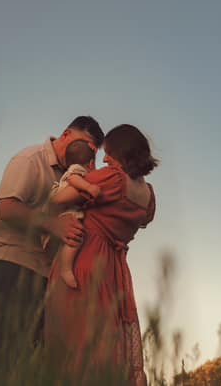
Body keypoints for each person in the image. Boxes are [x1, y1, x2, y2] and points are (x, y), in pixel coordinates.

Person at [0, 116, 104, 377]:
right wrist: (54, 225)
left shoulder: (74, 174)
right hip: (13, 258)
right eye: (85, 144)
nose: (87, 153)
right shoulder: (30, 159)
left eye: (94, 151)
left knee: (39, 354)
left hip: (46, 270)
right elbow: (8, 209)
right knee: (12, 347)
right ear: (65, 135)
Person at [43, 124, 158, 386]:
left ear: (122, 153)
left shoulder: (112, 178)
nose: (104, 159)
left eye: (109, 152)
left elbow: (58, 200)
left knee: (75, 342)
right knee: (108, 345)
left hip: (85, 259)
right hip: (115, 270)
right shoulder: (149, 196)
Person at [45, 139, 100, 289]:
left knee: (67, 239)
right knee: (75, 238)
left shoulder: (72, 168)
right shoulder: (77, 170)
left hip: (65, 211)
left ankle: (53, 253)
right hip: (69, 212)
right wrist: (89, 187)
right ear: (90, 163)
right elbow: (73, 179)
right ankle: (66, 269)